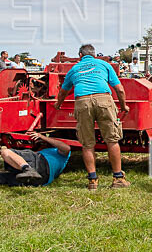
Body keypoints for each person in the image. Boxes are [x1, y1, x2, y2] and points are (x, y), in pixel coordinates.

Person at [54, 44, 130, 190]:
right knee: (112, 140)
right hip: (104, 100)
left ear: (80, 56)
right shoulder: (104, 64)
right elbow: (119, 89)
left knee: (87, 143)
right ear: (94, 55)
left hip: (82, 102)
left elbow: (63, 91)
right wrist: (123, 105)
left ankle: (93, 181)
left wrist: (58, 104)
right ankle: (118, 178)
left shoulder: (74, 69)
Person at [0, 131, 71, 196]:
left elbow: (66, 148)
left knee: (5, 152)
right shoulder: (52, 156)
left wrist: (43, 137)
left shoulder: (60, 154)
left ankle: (27, 169)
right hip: (42, 180)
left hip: (41, 164)